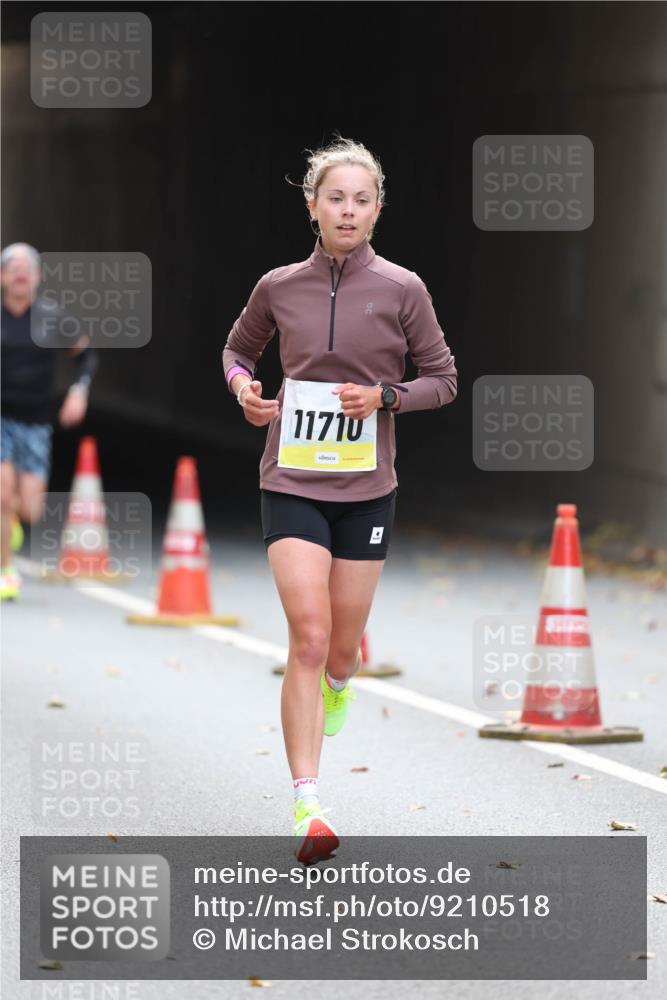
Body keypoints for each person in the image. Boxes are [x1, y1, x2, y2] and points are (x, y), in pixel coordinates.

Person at [222, 135, 457, 864]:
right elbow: (237, 351)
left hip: (366, 490)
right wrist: (245, 391)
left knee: (343, 651)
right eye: (335, 198)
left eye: (361, 199)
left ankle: (341, 679)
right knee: (309, 635)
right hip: (291, 478)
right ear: (312, 206)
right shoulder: (278, 286)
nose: (347, 210)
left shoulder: (402, 288)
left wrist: (385, 396)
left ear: (377, 209)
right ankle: (308, 802)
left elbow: (443, 379)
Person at [0, 243, 99, 600]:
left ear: (38, 277)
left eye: (27, 267)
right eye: (13, 267)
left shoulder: (52, 318)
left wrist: (78, 391)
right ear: (2, 276)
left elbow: (86, 356)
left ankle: (11, 523)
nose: (20, 272)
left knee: (30, 508)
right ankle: (6, 571)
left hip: (36, 421)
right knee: (1, 494)